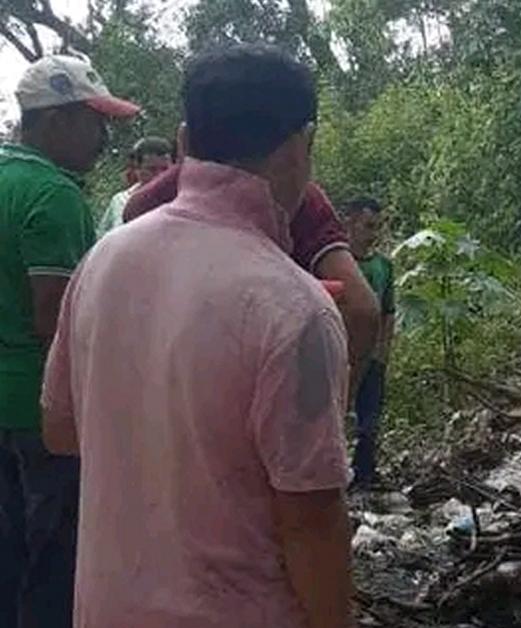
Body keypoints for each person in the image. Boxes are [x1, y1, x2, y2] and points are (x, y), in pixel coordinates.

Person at [43, 44, 369, 628]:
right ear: (297, 148)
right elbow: (310, 520)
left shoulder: (106, 263)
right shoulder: (293, 306)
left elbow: (62, 431)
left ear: (185, 137)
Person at [0, 55, 139, 628]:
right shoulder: (53, 196)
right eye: (94, 123)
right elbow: (58, 321)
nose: (101, 143)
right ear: (54, 120)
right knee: (51, 574)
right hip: (39, 413)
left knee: (7, 564)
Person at [125, 152, 381, 393]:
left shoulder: (152, 200)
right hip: (267, 390)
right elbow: (362, 309)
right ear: (300, 144)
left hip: (161, 391)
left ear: (186, 138)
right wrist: (336, 402)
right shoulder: (298, 198)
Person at [344, 198, 395, 489]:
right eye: (367, 226)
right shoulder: (336, 263)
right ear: (349, 222)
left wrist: (383, 352)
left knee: (369, 420)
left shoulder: (384, 267)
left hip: (372, 355)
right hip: (342, 354)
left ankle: (364, 474)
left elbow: (389, 311)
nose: (372, 233)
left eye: (377, 227)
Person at [95, 135, 173, 236]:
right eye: (152, 169)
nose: (159, 175)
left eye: (164, 169)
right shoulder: (120, 202)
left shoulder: (179, 202)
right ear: (138, 169)